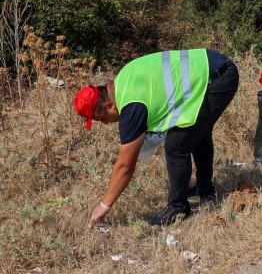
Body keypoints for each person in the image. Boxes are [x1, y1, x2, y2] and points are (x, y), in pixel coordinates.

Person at [74, 49, 239, 227]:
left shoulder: (131, 107)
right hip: (214, 66)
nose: (106, 124)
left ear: (109, 105)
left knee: (176, 147)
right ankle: (205, 189)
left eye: (102, 119)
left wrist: (103, 206)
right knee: (196, 134)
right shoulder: (123, 79)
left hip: (216, 79)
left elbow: (125, 166)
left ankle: (178, 208)